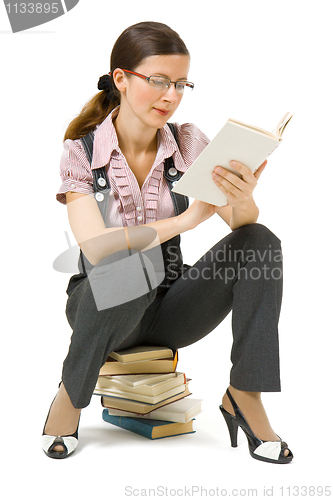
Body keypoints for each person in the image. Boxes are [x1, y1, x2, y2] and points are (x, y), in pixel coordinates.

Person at [42, 21, 293, 464]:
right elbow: (97, 247)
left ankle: (244, 394)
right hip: (103, 307)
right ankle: (70, 392)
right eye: (158, 81)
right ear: (121, 79)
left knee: (260, 242)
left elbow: (241, 223)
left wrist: (245, 196)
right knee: (135, 266)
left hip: (174, 308)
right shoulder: (81, 152)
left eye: (180, 84)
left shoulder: (187, 141)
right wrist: (185, 220)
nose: (171, 96)